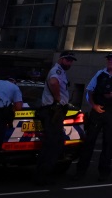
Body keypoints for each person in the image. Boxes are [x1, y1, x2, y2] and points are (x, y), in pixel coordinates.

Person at [74, 52, 112, 181]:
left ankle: (104, 172)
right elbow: (90, 90)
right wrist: (93, 105)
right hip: (98, 110)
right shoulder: (100, 73)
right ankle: (80, 171)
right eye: (108, 59)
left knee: (108, 142)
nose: (110, 61)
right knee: (89, 141)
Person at [35, 51, 76, 184]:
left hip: (54, 110)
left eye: (71, 61)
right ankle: (43, 175)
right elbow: (53, 82)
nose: (70, 63)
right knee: (53, 143)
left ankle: (44, 173)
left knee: (55, 142)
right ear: (61, 59)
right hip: (53, 110)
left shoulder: (61, 72)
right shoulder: (57, 71)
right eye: (68, 60)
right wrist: (58, 99)